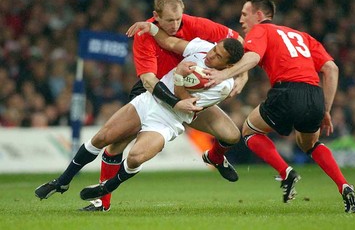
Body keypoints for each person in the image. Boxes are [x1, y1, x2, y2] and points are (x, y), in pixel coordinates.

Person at [35, 31, 245, 206]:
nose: (211, 55)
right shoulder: (201, 47)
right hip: (149, 101)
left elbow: (184, 101)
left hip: (169, 119)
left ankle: (107, 187)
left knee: (136, 157)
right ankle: (62, 181)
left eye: (218, 56)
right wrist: (152, 29)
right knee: (103, 137)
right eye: (214, 49)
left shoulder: (222, 86)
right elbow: (171, 41)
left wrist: (180, 75)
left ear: (227, 66)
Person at [85, 0, 247, 211]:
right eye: (169, 20)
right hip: (155, 91)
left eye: (178, 19)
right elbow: (150, 77)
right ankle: (102, 202)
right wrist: (178, 77)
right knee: (117, 145)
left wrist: (242, 73)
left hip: (190, 100)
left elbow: (238, 42)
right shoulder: (144, 34)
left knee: (232, 135)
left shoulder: (198, 27)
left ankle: (215, 158)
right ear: (156, 17)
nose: (175, 24)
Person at [204, 0, 355, 213]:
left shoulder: (260, 30)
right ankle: (345, 187)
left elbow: (253, 58)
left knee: (249, 131)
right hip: (314, 94)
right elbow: (331, 69)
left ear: (259, 15)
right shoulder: (301, 35)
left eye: (244, 14)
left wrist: (224, 75)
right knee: (309, 144)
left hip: (287, 91)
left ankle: (285, 171)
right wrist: (325, 109)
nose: (241, 20)